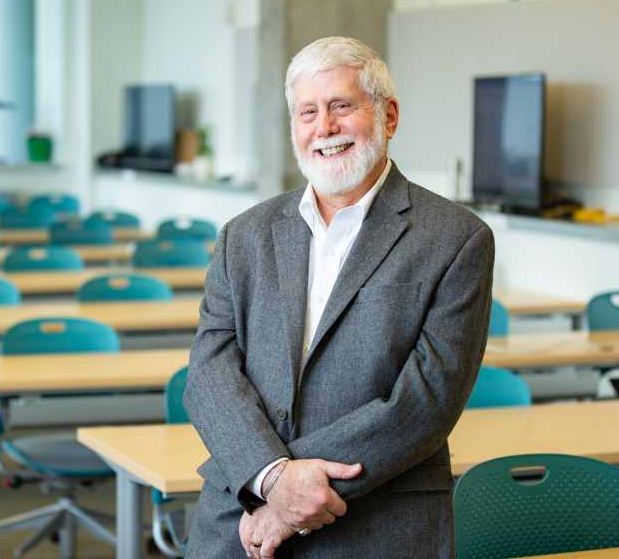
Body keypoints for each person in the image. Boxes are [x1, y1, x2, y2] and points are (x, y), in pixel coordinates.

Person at [182, 36, 495, 558]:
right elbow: (209, 371)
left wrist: (287, 500)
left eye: (342, 106)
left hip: (375, 522)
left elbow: (425, 403)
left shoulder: (458, 239)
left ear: (389, 117)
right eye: (308, 112)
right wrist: (271, 479)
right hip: (241, 513)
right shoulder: (244, 235)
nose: (324, 128)